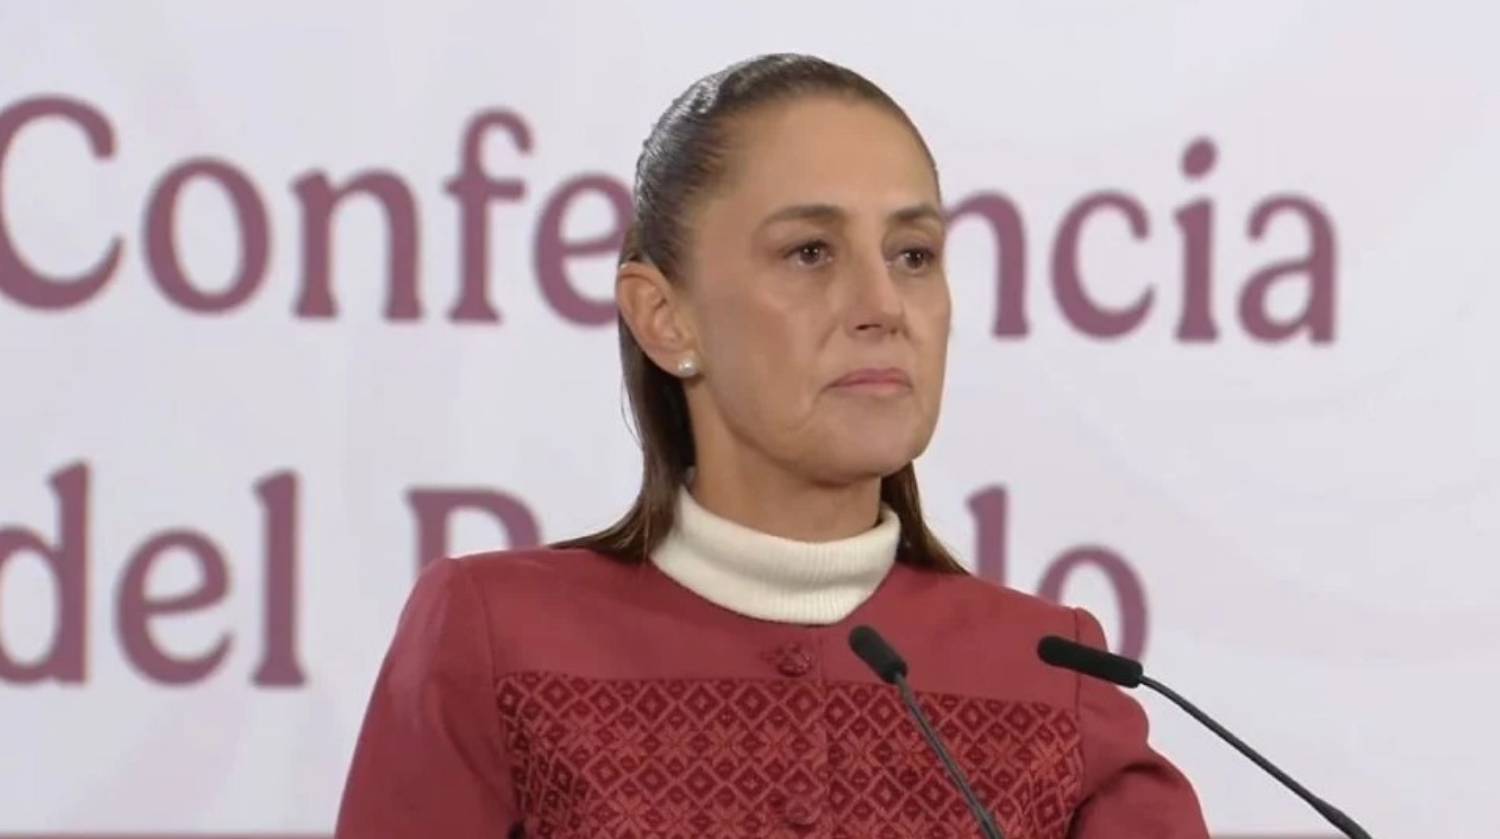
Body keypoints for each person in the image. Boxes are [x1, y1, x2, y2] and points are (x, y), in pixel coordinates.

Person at [335, 53, 1210, 838]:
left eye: (913, 255)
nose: (882, 305)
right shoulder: (497, 638)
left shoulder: (1051, 673)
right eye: (810, 252)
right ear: (663, 317)